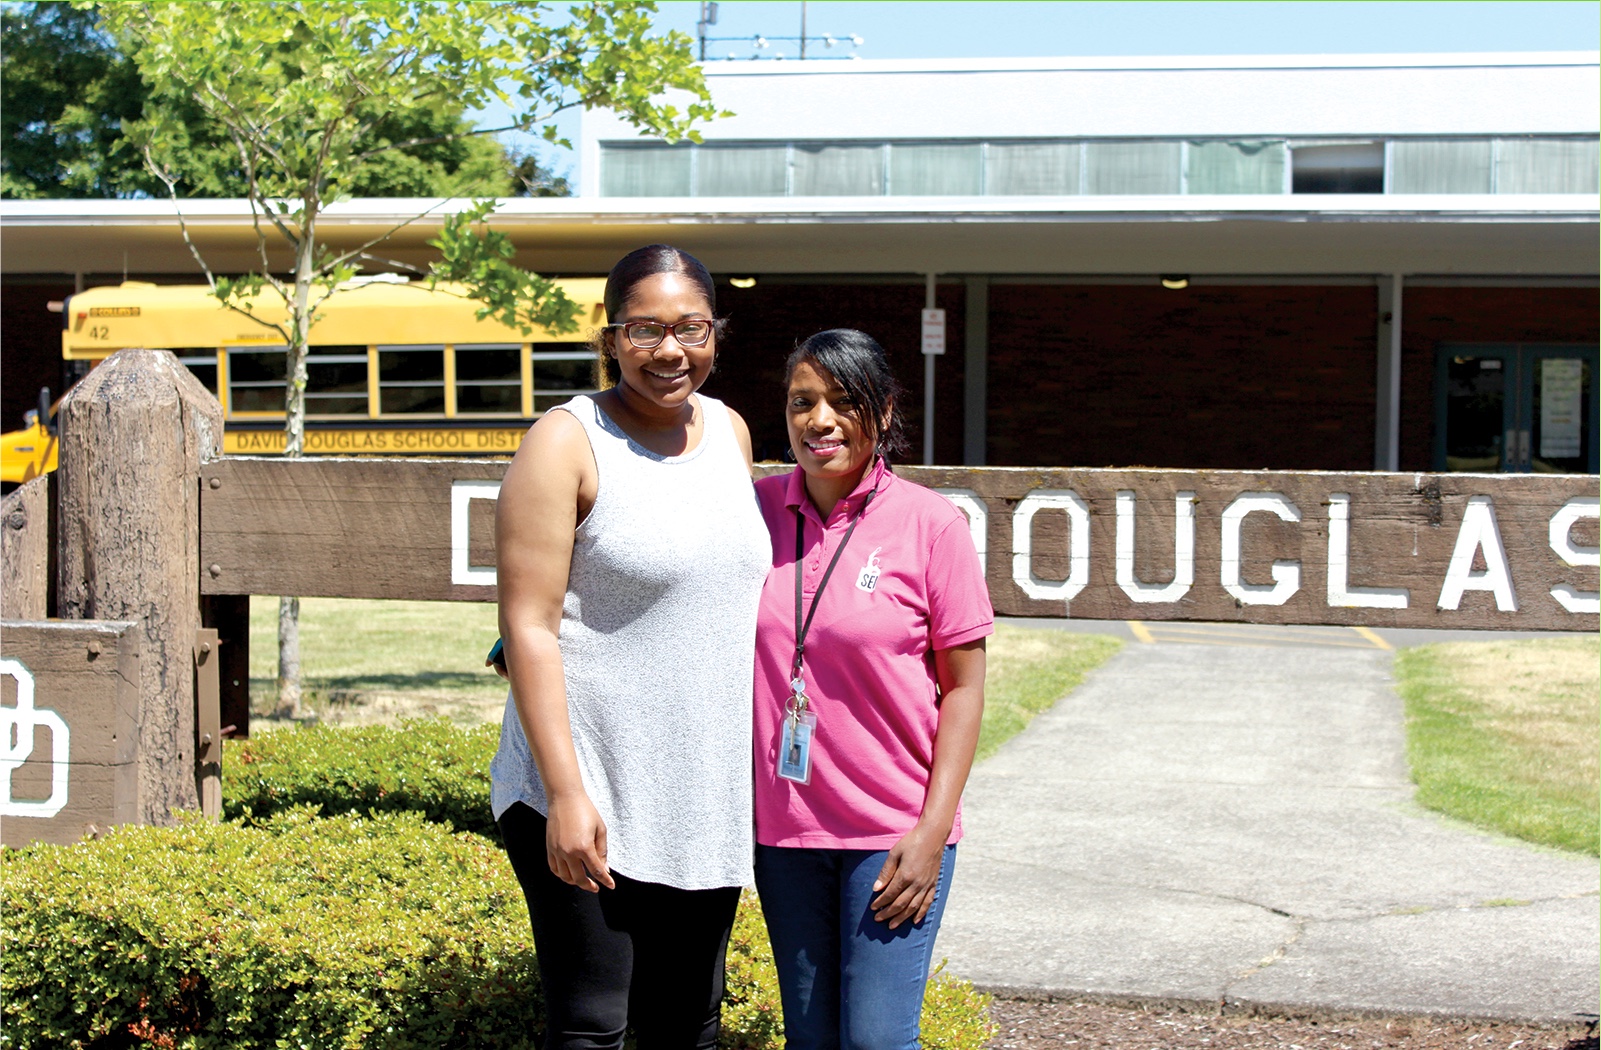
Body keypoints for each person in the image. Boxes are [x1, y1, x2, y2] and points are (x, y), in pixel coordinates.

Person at [489, 245, 770, 1049]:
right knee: (594, 1028)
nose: (670, 350)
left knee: (690, 1025)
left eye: (691, 328)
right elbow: (529, 629)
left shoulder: (730, 431)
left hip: (700, 791)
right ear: (609, 338)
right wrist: (566, 793)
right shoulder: (565, 442)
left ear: (717, 335)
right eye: (645, 329)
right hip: (589, 781)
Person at [751, 329, 992, 1049]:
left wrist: (929, 834)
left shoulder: (931, 525)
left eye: (841, 401)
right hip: (786, 831)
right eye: (802, 402)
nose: (818, 420)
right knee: (812, 1041)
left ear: (883, 413)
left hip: (890, 836)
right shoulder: (752, 512)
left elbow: (965, 690)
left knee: (876, 1040)